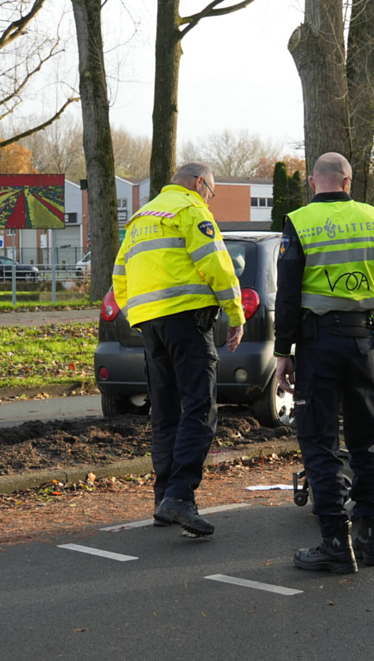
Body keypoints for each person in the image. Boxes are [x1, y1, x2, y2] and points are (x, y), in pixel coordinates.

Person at [273, 152, 374, 575]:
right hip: (363, 342)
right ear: (349, 182)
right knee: (366, 441)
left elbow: (288, 294)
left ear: (313, 182)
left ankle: (334, 542)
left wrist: (282, 353)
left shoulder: (301, 222)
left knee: (320, 442)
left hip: (319, 345)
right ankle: (372, 539)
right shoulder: (373, 218)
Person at [112, 162, 245, 537]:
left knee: (165, 412)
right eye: (212, 192)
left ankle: (163, 500)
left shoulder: (140, 217)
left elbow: (119, 275)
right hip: (188, 321)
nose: (210, 200)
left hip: (149, 326)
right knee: (199, 408)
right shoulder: (191, 210)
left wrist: (138, 314)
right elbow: (217, 266)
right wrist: (235, 315)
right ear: (200, 182)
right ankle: (181, 497)